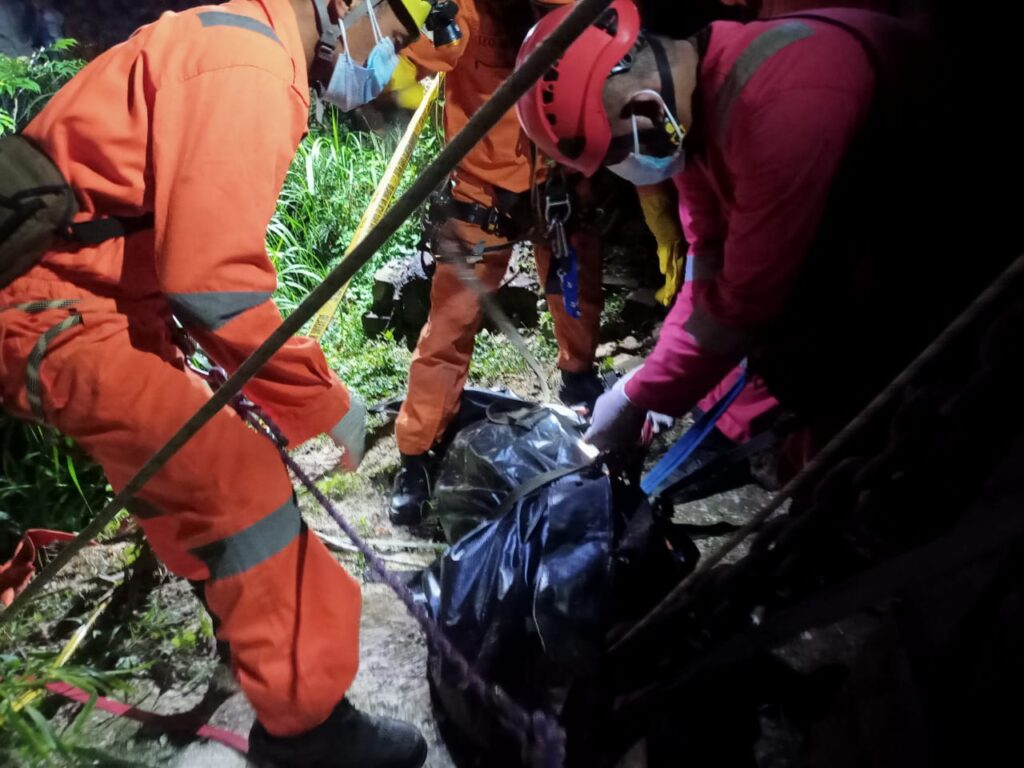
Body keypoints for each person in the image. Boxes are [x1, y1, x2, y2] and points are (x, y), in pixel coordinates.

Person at [0, 1, 441, 765]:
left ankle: (245, 619)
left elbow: (154, 240)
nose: (391, 61)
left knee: (193, 463)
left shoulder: (239, 39)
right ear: (348, 5)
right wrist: (321, 400)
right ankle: (310, 733)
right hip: (46, 306)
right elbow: (215, 285)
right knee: (235, 476)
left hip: (88, 294)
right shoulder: (251, 65)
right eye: (395, 37)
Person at [516, 0, 964, 469]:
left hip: (946, 265)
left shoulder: (785, 101)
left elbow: (746, 302)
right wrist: (656, 383)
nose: (628, 168)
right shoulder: (696, 112)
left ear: (644, 108)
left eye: (618, 151)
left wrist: (639, 394)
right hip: (876, 252)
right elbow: (708, 254)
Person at [386, 0, 606, 525]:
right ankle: (418, 453)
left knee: (577, 293)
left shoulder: (577, 9)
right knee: (449, 326)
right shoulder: (466, 13)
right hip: (482, 193)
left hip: (561, 183)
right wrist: (413, 69)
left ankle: (580, 382)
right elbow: (402, 71)